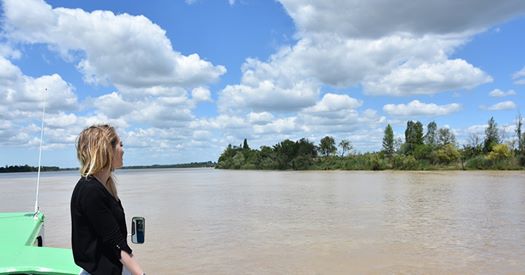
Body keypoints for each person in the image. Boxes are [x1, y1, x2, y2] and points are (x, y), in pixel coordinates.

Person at [71, 124, 145, 275]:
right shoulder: (91, 190)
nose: (123, 150)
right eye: (120, 144)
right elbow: (116, 244)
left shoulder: (102, 187)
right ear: (107, 149)